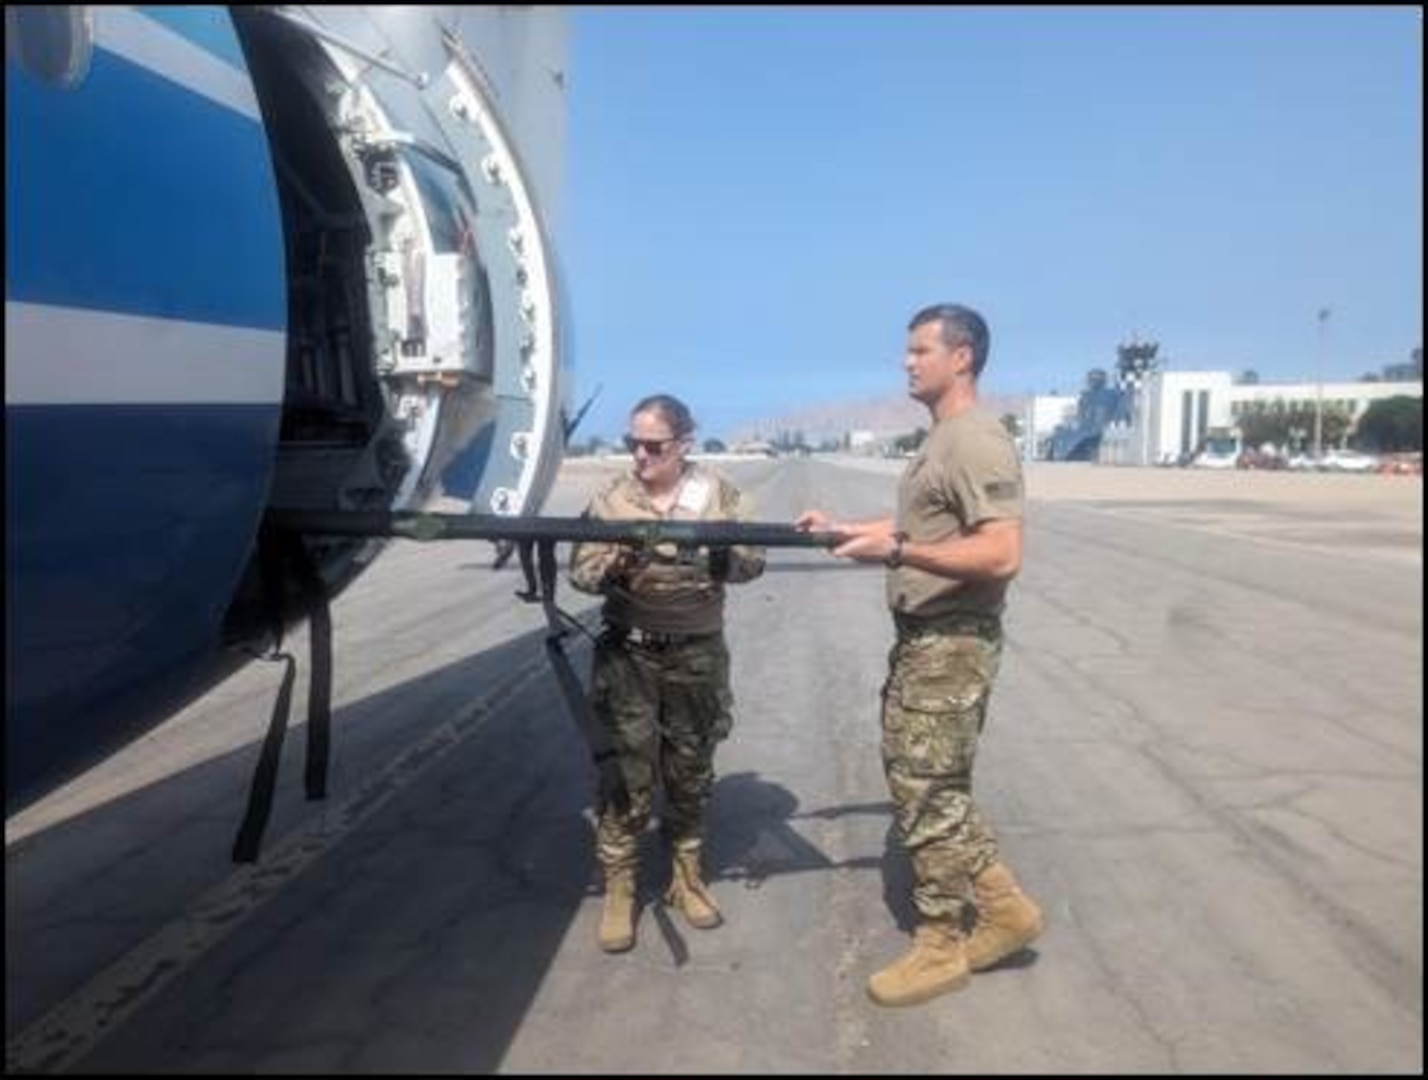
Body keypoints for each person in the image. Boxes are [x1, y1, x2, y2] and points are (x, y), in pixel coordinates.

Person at [796, 303, 1044, 1007]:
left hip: (952, 645)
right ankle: (1004, 910)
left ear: (961, 357)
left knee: (929, 789)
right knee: (924, 783)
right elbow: (913, 524)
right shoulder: (941, 439)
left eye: (919, 350)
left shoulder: (976, 441)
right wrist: (847, 530)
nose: (906, 362)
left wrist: (899, 551)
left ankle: (943, 942)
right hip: (925, 643)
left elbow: (1002, 551)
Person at [570, 394, 765, 953]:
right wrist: (617, 559)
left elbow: (753, 562)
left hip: (696, 655)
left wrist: (711, 552)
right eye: (633, 443)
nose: (640, 455)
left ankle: (686, 876)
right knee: (623, 772)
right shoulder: (611, 500)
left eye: (653, 445)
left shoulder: (719, 496)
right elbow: (581, 576)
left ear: (683, 444)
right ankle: (621, 885)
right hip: (628, 654)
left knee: (690, 768)